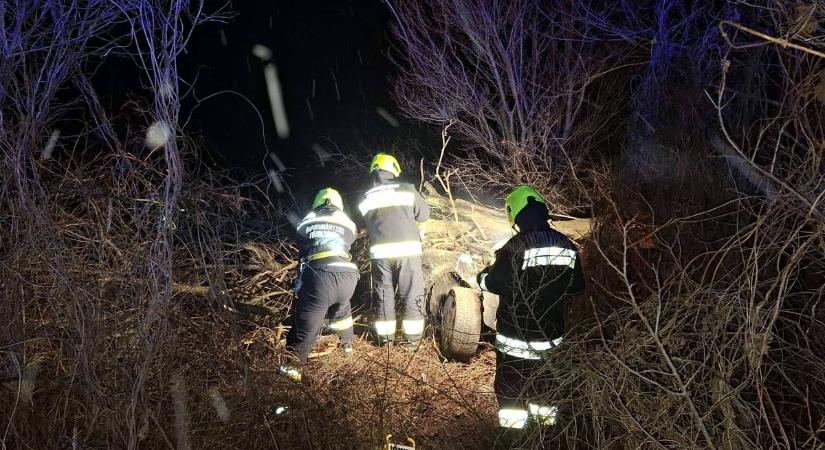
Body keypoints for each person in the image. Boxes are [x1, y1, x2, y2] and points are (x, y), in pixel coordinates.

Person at [476, 185, 585, 430]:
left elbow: (494, 283)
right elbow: (577, 287)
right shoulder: (567, 245)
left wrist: (481, 277)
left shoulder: (515, 247)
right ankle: (545, 435)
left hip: (516, 337)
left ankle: (513, 438)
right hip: (551, 337)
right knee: (545, 388)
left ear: (515, 216)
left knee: (512, 391)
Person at [282, 188, 359, 381]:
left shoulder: (308, 219)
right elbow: (351, 238)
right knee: (343, 311)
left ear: (317, 203)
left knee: (306, 329)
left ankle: (289, 380)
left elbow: (301, 238)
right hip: (348, 275)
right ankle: (348, 352)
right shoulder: (346, 221)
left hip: (320, 276)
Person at [358, 153, 429, 347]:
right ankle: (411, 343)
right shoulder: (407, 190)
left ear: (374, 171)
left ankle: (385, 342)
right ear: (394, 169)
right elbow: (424, 215)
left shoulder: (365, 198)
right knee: (412, 294)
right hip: (408, 253)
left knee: (383, 296)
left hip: (380, 256)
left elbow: (363, 224)